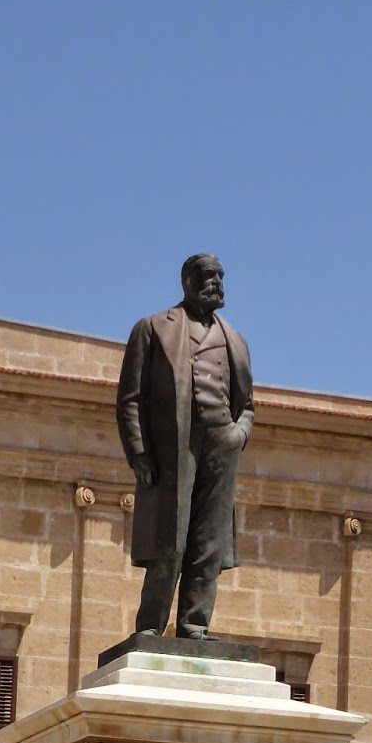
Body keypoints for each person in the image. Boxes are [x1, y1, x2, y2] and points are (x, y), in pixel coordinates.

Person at [116, 254, 254, 641]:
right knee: (169, 539)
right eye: (209, 276)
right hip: (172, 445)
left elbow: (247, 405)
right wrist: (139, 452)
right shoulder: (152, 328)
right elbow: (130, 398)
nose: (217, 283)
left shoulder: (234, 339)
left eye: (221, 277)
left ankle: (195, 624)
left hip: (221, 443)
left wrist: (239, 434)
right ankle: (150, 626)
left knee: (209, 539)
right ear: (187, 281)